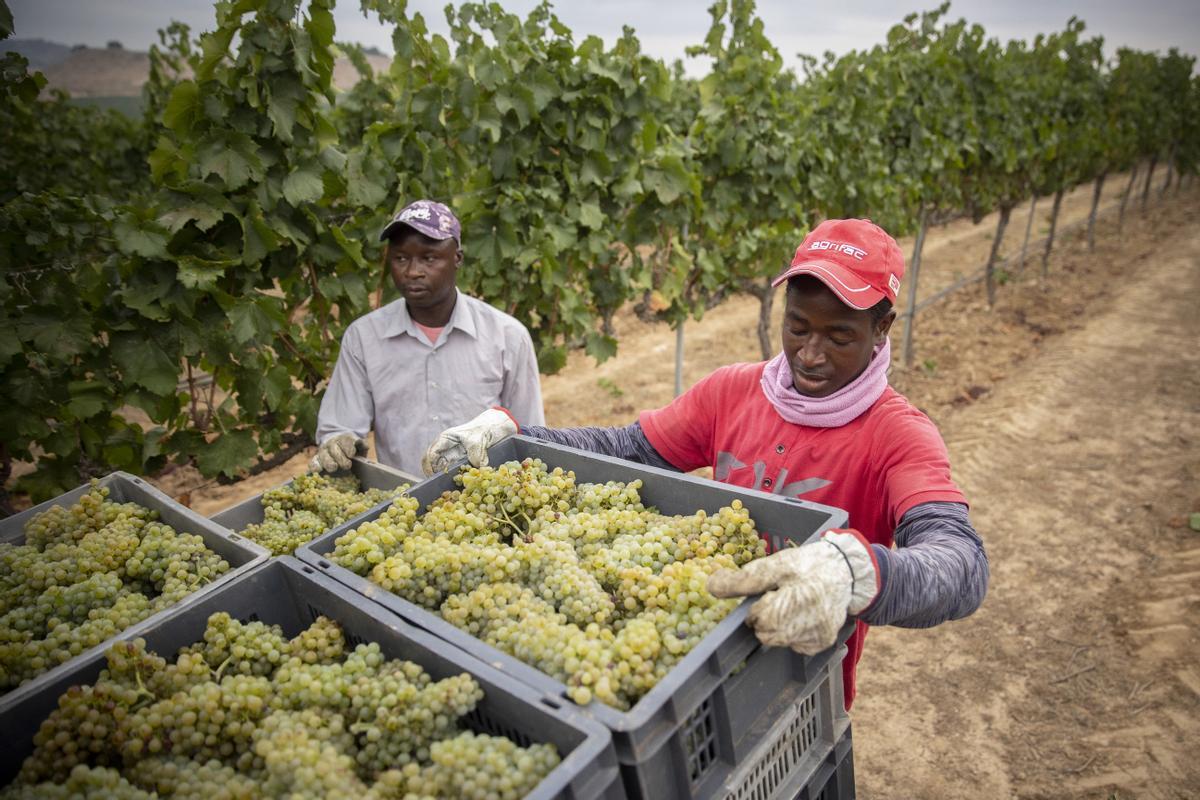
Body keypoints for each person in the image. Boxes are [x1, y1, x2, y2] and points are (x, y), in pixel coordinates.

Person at [421, 218, 988, 708]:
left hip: (802, 682)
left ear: (881, 329)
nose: (810, 355)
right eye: (797, 327)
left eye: (840, 336)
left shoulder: (899, 434)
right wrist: (517, 433)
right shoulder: (732, 392)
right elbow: (630, 448)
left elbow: (961, 564)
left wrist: (860, 572)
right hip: (689, 661)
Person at [311, 199, 545, 477]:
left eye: (428, 258)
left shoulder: (508, 336)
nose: (412, 271)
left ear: (457, 258)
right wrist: (339, 443)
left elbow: (531, 434)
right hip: (400, 507)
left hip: (486, 505)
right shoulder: (363, 338)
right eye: (401, 258)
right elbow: (340, 428)